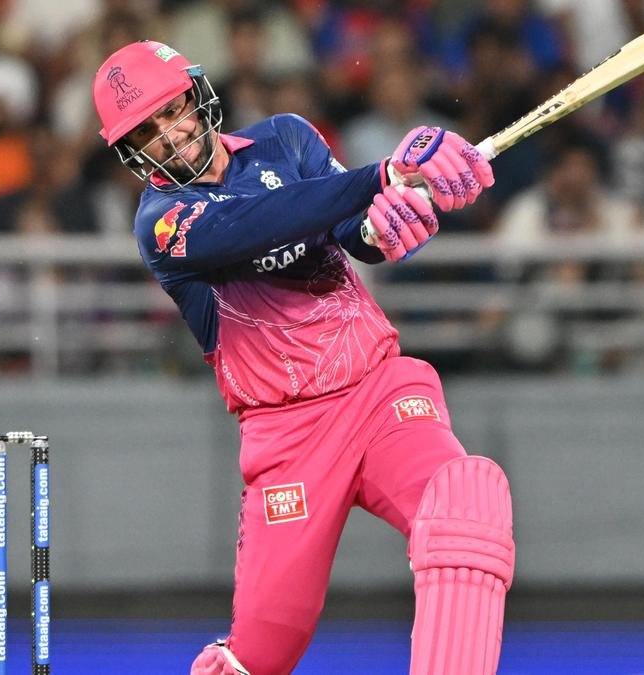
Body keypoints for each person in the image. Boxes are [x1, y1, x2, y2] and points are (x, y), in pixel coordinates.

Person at [91, 41, 514, 675]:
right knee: (256, 660)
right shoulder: (161, 222)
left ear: (198, 97)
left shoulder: (285, 139)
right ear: (129, 151)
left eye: (172, 111)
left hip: (378, 393)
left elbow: (350, 234)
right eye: (146, 132)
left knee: (466, 505)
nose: (169, 136)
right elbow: (264, 221)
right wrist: (381, 176)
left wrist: (385, 223)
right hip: (287, 437)